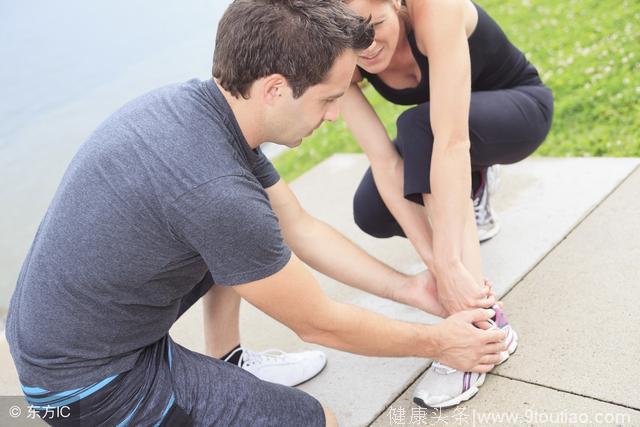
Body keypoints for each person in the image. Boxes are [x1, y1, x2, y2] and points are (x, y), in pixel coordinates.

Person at [5, 0, 506, 425]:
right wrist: (440, 343)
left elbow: (300, 228)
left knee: (236, 239)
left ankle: (230, 360)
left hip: (63, 337)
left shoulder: (201, 108)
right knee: (315, 419)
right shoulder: (215, 189)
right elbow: (319, 323)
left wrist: (410, 287)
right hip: (88, 386)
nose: (335, 116)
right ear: (274, 88)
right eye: (328, 99)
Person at [340, 0, 553, 408]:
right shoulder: (336, 46)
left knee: (419, 125)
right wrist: (439, 264)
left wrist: (455, 269)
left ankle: (483, 326)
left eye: (375, 24)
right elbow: (384, 163)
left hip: (519, 110)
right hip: (446, 129)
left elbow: (452, 139)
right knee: (371, 210)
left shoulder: (435, 9)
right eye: (350, 34)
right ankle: (475, 185)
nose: (364, 46)